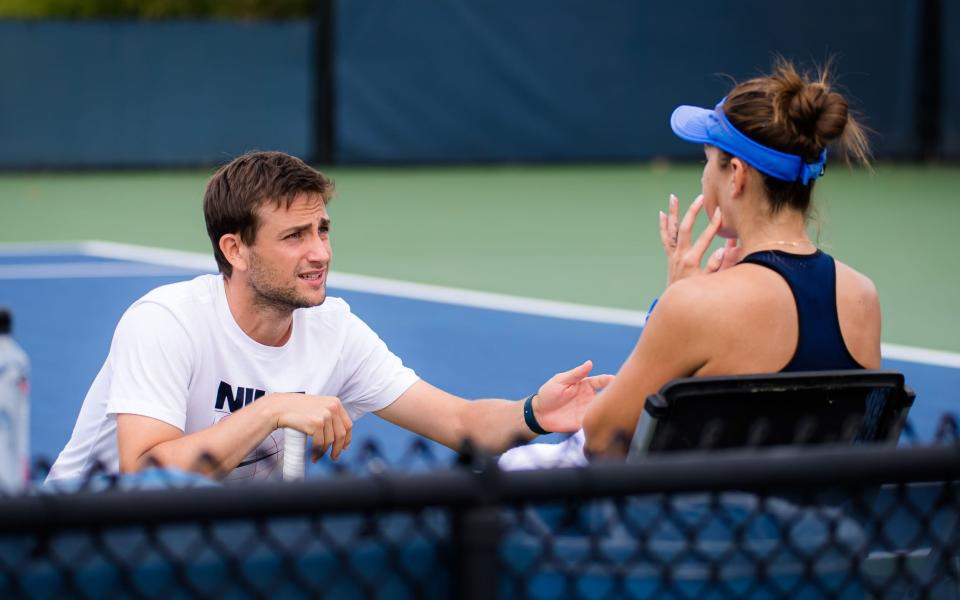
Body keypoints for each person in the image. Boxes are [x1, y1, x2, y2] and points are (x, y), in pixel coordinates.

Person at [47, 151, 612, 482]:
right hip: (75, 547)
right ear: (235, 251)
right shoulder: (164, 321)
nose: (320, 252)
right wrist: (272, 411)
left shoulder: (333, 331)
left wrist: (537, 412)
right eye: (294, 236)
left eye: (322, 230)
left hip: (213, 547)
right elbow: (145, 472)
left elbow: (461, 423)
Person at [582, 59, 879, 457]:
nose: (704, 175)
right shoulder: (864, 298)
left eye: (708, 159)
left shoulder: (693, 305)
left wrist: (669, 304)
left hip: (696, 516)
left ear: (736, 174)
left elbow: (602, 441)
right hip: (820, 517)